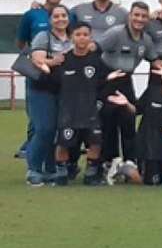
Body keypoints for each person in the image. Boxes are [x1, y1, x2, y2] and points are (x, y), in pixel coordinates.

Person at [44, 22, 125, 186]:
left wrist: (109, 79)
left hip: (90, 111)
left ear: (91, 37)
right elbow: (52, 82)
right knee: (63, 143)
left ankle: (91, 174)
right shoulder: (63, 60)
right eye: (78, 34)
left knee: (95, 142)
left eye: (85, 35)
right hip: (68, 111)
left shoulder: (96, 61)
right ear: (72, 37)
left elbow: (102, 82)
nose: (82, 38)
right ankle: (61, 173)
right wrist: (45, 67)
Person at [97, 1, 162, 166]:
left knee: (129, 121)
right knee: (108, 123)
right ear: (129, 16)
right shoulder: (115, 33)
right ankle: (108, 162)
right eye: (136, 15)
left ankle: (130, 162)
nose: (139, 19)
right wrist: (101, 78)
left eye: (143, 16)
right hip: (108, 79)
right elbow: (93, 51)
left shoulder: (146, 40)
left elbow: (155, 61)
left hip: (126, 81)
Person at [104, 61, 162, 185]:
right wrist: (126, 104)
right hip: (148, 145)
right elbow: (136, 110)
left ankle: (126, 167)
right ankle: (123, 168)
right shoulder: (152, 92)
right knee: (149, 182)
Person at [15, 0, 65, 159]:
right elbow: (21, 42)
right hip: (37, 75)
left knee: (56, 120)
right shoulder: (32, 15)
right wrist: (36, 59)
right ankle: (32, 158)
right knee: (38, 120)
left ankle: (51, 161)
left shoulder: (68, 15)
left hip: (59, 77)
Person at [26, 5, 72, 186]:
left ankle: (51, 168)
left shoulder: (73, 39)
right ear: (50, 20)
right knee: (44, 128)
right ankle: (34, 169)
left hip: (63, 89)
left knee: (57, 130)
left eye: (63, 15)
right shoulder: (43, 36)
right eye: (56, 16)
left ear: (68, 18)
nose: (60, 19)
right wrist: (54, 61)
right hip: (40, 88)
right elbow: (37, 60)